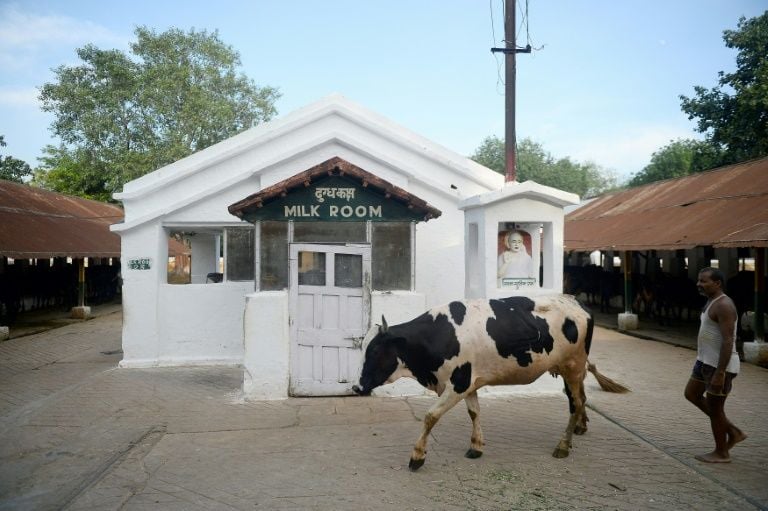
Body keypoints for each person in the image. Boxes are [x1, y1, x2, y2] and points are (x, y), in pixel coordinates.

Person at [684, 267, 746, 463]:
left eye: (703, 281)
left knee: (716, 409)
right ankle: (732, 430)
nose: (699, 284)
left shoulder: (724, 305)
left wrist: (720, 373)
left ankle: (722, 452)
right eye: (699, 280)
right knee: (691, 394)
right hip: (704, 361)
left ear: (717, 283)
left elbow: (729, 341)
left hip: (719, 367)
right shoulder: (711, 301)